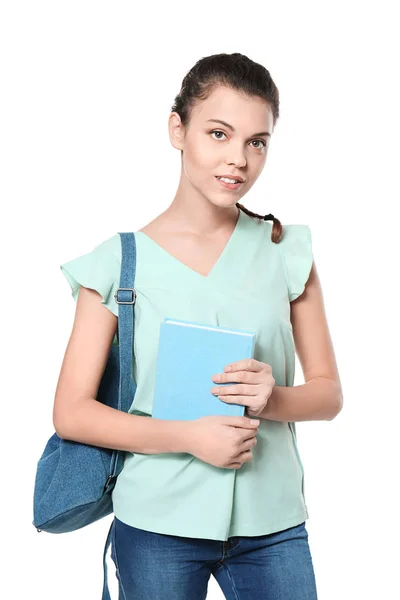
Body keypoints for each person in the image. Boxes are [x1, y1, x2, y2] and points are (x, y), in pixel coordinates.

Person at [54, 52, 343, 599]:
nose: (238, 159)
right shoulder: (117, 263)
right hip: (157, 522)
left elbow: (329, 394)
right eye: (218, 133)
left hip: (272, 524)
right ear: (177, 130)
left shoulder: (286, 250)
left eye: (256, 142)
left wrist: (271, 399)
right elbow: (71, 412)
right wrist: (188, 437)